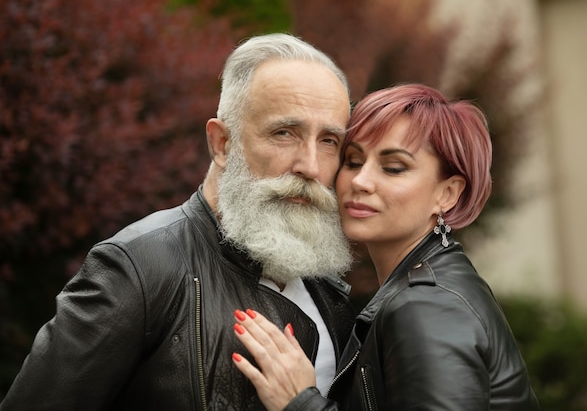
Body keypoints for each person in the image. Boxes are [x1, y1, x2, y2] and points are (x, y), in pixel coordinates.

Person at [0, 33, 357, 411]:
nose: (311, 166)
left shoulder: (330, 292)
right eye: (284, 133)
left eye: (329, 141)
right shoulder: (138, 269)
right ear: (222, 143)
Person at [231, 83, 541, 410]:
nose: (361, 181)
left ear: (447, 194)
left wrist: (301, 402)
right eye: (352, 161)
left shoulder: (425, 306)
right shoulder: (431, 287)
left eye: (393, 168)